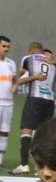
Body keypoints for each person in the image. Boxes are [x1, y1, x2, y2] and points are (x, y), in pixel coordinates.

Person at [11, 43, 56, 175]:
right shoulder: (54, 64)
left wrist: (32, 77)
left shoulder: (29, 58)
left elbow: (21, 76)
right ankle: (44, 166)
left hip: (35, 98)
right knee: (43, 133)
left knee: (26, 129)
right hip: (49, 100)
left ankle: (24, 165)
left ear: (31, 50)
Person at [0, 35, 16, 170]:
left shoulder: (11, 63)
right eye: (3, 46)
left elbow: (15, 80)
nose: (6, 49)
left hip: (8, 103)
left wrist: (16, 86)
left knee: (4, 132)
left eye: (8, 47)